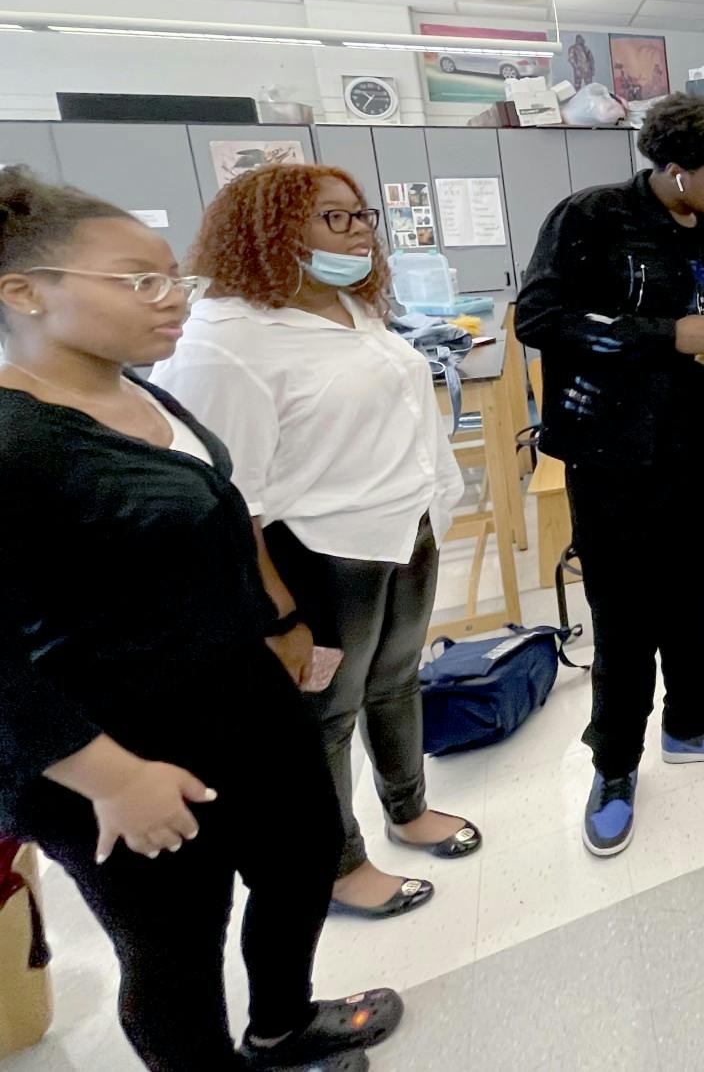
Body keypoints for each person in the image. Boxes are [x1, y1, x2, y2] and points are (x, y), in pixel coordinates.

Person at [0, 169, 401, 1072]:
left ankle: (281, 1025)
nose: (172, 299)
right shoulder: (16, 440)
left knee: (301, 860)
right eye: (139, 281)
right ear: (24, 293)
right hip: (112, 746)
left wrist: (280, 621)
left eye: (174, 275)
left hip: (234, 695)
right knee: (174, 944)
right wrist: (108, 778)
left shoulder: (139, 391)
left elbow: (221, 514)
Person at [150, 164, 476, 921]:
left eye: (362, 215)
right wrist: (277, 612)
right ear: (268, 231)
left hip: (404, 528)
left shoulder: (349, 306)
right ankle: (337, 863)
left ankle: (408, 808)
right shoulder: (226, 338)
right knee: (323, 717)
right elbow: (228, 497)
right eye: (336, 219)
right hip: (321, 554)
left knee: (396, 682)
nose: (361, 229)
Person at [517, 93, 704, 859]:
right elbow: (537, 318)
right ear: (675, 171)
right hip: (611, 453)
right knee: (626, 613)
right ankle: (615, 765)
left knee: (693, 590)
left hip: (690, 445)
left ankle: (694, 721)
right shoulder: (590, 217)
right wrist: (661, 335)